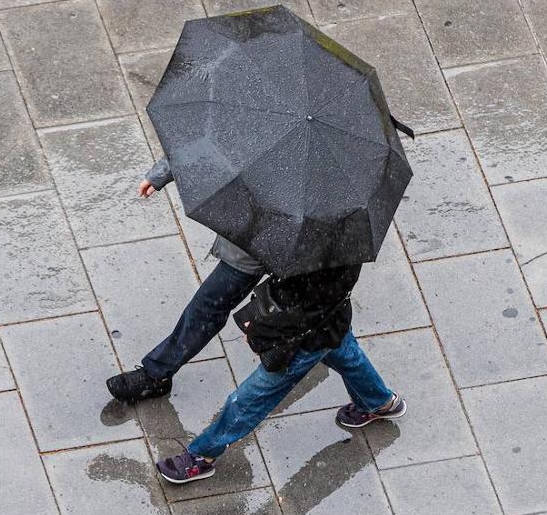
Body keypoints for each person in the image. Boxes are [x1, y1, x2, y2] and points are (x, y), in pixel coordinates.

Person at [123, 161, 406, 484]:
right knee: (342, 348)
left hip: (306, 331)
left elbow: (300, 305)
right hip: (331, 319)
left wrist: (258, 328)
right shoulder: (346, 222)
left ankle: (202, 454)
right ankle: (380, 402)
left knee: (254, 396)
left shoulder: (314, 244)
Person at [105, 159, 265, 404]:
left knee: (323, 318)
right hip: (251, 242)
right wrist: (165, 172)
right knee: (208, 307)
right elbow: (213, 138)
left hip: (293, 247)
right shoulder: (265, 124)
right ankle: (157, 373)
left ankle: (156, 374)